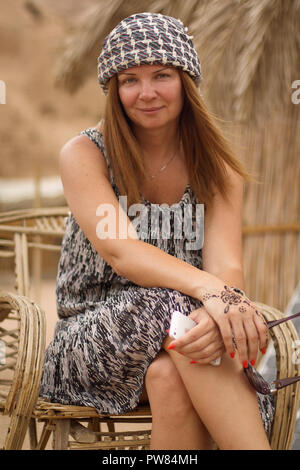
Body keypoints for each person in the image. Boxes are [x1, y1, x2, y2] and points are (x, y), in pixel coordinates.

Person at [40, 12, 275, 450]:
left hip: (184, 336)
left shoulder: (216, 166)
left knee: (169, 376)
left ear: (186, 81)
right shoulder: (86, 153)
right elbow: (122, 252)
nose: (145, 92)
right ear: (114, 90)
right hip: (91, 342)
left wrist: (212, 310)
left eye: (161, 75)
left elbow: (227, 265)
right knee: (171, 310)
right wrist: (214, 295)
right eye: (129, 79)